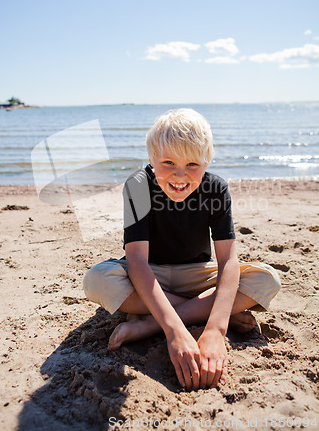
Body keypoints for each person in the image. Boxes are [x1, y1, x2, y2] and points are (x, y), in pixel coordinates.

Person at [83, 108, 281, 391]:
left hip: (198, 275)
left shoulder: (215, 188)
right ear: (152, 159)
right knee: (97, 280)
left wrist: (215, 330)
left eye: (192, 164)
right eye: (168, 162)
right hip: (150, 277)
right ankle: (202, 309)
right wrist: (175, 332)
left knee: (266, 279)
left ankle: (149, 323)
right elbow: (136, 260)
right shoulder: (138, 185)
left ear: (206, 161)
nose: (180, 175)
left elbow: (227, 261)